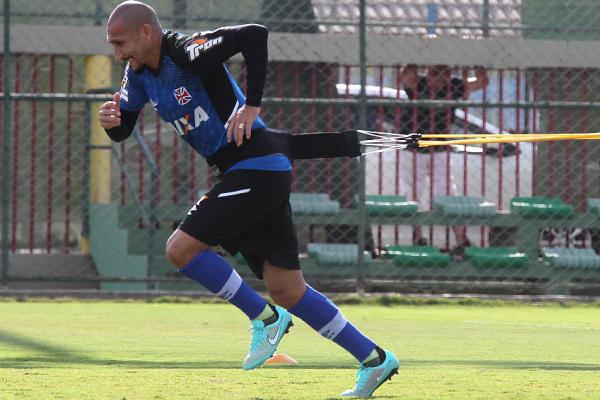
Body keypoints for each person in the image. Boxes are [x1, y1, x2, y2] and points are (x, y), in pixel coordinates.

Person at [98, 1, 399, 397]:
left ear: (146, 32)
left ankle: (265, 318)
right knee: (287, 289)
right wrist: (112, 123)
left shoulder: (187, 52)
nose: (117, 53)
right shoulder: (137, 74)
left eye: (120, 43)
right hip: (250, 171)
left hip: (256, 167)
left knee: (179, 249)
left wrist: (252, 105)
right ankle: (374, 359)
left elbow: (254, 34)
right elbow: (123, 127)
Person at [400, 64, 489, 258]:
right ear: (428, 72)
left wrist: (479, 63)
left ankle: (461, 240)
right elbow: (405, 75)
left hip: (439, 146)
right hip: (414, 146)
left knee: (446, 192)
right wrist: (418, 58)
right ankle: (418, 237)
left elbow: (482, 82)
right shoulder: (418, 83)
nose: (440, 79)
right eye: (435, 73)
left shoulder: (454, 86)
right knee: (413, 192)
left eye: (445, 74)